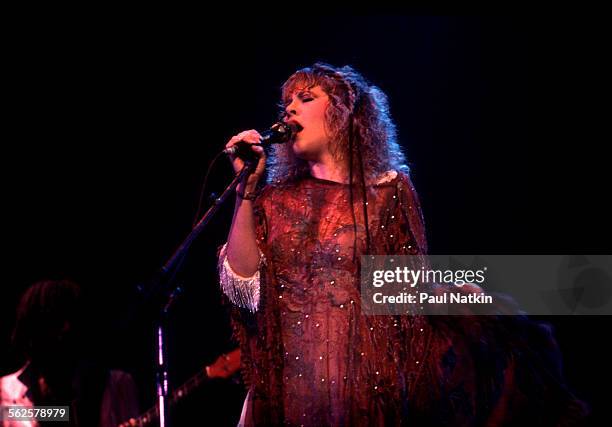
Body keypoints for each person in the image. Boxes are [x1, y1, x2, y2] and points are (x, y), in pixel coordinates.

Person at [218, 63, 587, 426]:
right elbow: (242, 282)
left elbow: (402, 301)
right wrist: (246, 194)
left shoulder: (387, 191)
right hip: (290, 391)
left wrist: (457, 298)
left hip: (363, 389)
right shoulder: (272, 198)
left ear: (344, 112)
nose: (290, 109)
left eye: (306, 97)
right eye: (287, 103)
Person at [0, 280, 139, 427]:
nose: (65, 329)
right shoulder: (5, 392)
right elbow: (58, 414)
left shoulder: (116, 385)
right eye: (54, 321)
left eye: (71, 319)